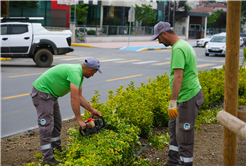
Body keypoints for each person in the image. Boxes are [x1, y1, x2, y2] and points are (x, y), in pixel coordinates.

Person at [30, 58, 102, 166]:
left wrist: (92, 110)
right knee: (46, 126)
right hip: (42, 93)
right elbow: (74, 99)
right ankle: (47, 158)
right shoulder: (75, 72)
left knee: (57, 123)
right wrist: (79, 120)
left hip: (51, 95)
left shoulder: (79, 74)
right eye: (95, 73)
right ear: (91, 70)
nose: (93, 75)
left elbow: (79, 96)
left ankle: (56, 150)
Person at [150, 22, 204, 166]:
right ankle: (172, 162)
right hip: (184, 97)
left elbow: (178, 77)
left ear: (164, 33)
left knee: (184, 136)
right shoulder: (184, 45)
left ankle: (185, 164)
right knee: (174, 131)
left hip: (187, 98)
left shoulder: (178, 48)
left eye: (159, 38)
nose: (159, 42)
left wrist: (172, 101)